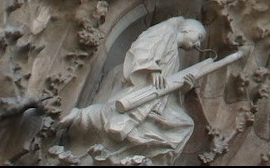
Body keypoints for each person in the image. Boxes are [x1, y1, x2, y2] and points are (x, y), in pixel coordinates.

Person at [60, 17, 207, 165]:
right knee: (119, 114)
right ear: (187, 29)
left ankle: (143, 158)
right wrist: (152, 70)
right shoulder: (166, 30)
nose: (198, 44)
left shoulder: (175, 55)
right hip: (143, 85)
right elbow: (142, 47)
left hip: (158, 99)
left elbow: (167, 86)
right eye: (199, 37)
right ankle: (82, 116)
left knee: (184, 124)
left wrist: (183, 88)